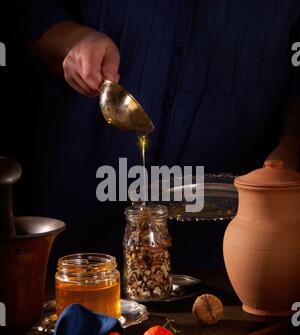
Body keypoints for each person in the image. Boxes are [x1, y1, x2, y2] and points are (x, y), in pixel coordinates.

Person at [7, 0, 300, 275]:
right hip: (77, 215)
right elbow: (26, 10)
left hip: (231, 239)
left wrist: (291, 148)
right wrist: (69, 39)